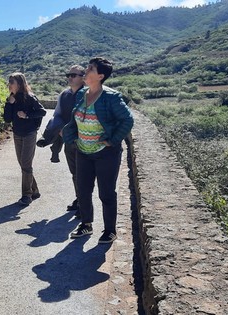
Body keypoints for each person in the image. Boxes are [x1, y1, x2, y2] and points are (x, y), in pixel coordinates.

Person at [62, 57, 134, 244]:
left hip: (105, 154)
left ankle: (110, 230)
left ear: (100, 76)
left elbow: (128, 120)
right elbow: (74, 119)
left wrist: (112, 140)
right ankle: (86, 224)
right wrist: (74, 137)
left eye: (91, 68)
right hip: (83, 151)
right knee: (83, 190)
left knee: (106, 193)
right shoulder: (81, 94)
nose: (86, 70)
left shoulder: (110, 97)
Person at [36, 65, 86, 214]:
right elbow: (57, 114)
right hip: (68, 141)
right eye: (68, 74)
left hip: (83, 140)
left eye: (74, 75)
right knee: (75, 172)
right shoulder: (64, 95)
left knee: (83, 174)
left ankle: (84, 205)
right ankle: (79, 200)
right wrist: (58, 130)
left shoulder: (87, 94)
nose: (70, 77)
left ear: (83, 77)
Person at [3, 72, 47, 206]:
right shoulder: (11, 99)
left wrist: (26, 115)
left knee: (26, 164)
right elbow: (7, 119)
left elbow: (42, 111)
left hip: (29, 134)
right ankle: (35, 190)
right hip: (17, 134)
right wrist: (9, 104)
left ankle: (26, 195)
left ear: (20, 84)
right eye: (9, 81)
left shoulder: (30, 97)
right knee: (23, 164)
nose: (9, 84)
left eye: (12, 82)